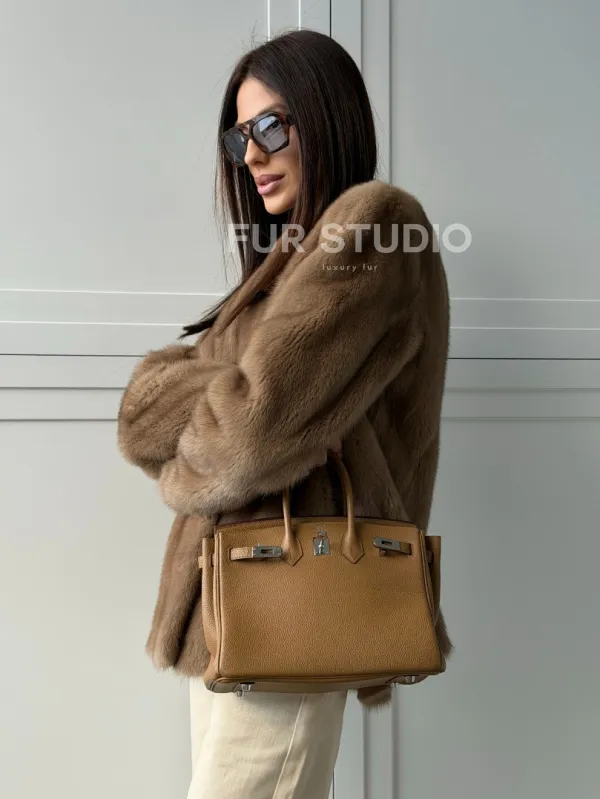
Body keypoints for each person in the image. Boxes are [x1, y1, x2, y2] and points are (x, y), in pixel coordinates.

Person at [117, 28, 453, 799]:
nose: (253, 156)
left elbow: (247, 435)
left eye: (271, 127)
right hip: (231, 608)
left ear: (326, 114)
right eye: (240, 139)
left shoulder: (375, 228)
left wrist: (214, 410)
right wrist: (225, 397)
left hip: (297, 600)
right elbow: (142, 419)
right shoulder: (283, 263)